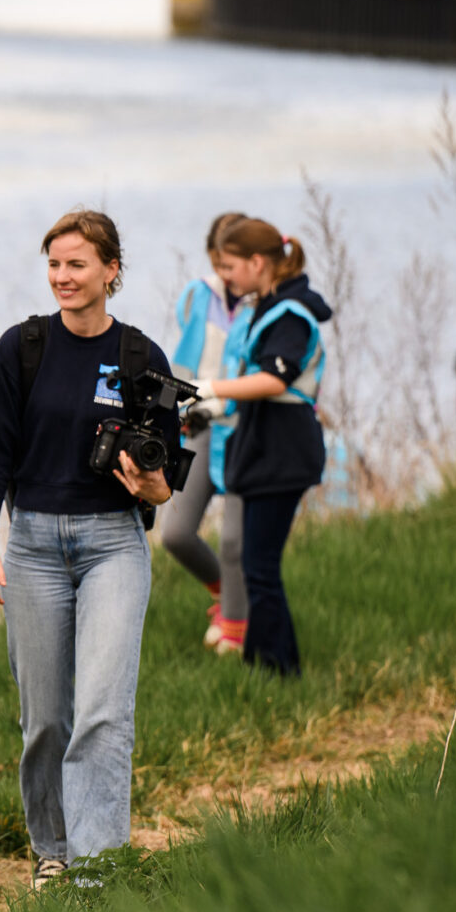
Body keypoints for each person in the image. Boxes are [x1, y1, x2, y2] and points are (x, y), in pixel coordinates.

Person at [0, 209, 180, 885]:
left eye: (77, 264)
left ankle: (96, 869)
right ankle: (52, 851)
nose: (63, 276)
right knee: (46, 721)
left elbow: (168, 481)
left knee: (103, 712)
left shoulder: (143, 358)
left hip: (113, 544)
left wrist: (149, 483)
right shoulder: (20, 349)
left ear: (111, 270)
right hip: (30, 545)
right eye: (55, 264)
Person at [202, 218, 329, 679]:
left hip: (284, 451)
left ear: (258, 263)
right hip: (263, 450)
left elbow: (276, 378)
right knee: (256, 565)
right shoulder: (270, 304)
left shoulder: (292, 314)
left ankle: (282, 670)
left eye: (231, 267)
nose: (226, 277)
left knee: (260, 566)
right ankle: (262, 663)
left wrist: (211, 388)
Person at [159, 212, 251, 656]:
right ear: (213, 255)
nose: (227, 268)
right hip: (198, 424)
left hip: (244, 430)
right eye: (222, 257)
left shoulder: (263, 302)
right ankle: (225, 594)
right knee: (175, 533)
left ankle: (237, 625)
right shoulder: (198, 295)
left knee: (235, 537)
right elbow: (183, 363)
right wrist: (167, 412)